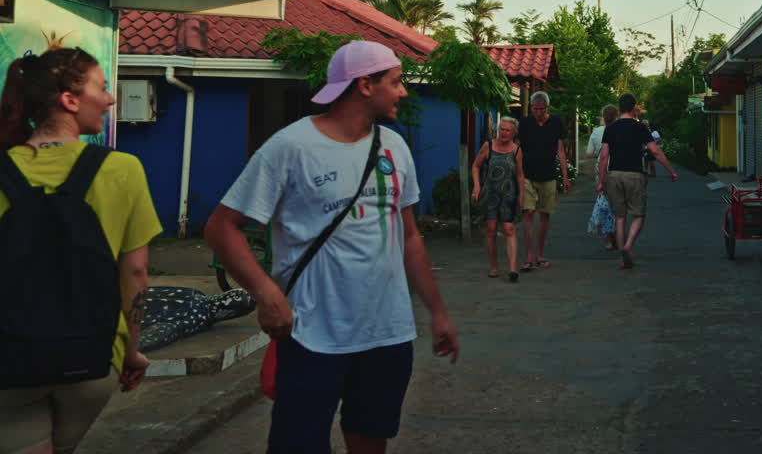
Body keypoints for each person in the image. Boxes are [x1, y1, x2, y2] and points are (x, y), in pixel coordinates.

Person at [205, 40, 459, 454]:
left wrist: (438, 312)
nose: (403, 92)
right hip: (312, 333)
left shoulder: (394, 147)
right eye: (395, 82)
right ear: (365, 85)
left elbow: (409, 235)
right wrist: (267, 294)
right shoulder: (291, 146)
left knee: (370, 438)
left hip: (386, 332)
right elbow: (221, 228)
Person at [0, 47, 161, 454]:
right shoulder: (123, 169)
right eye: (102, 88)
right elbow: (135, 272)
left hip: (9, 362)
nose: (111, 99)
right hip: (92, 357)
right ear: (69, 100)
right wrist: (131, 351)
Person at [596, 93, 678, 270]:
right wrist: (671, 171)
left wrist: (601, 181)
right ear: (634, 108)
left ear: (619, 108)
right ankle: (628, 245)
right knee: (638, 215)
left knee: (619, 217)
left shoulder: (610, 128)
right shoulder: (640, 127)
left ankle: (622, 257)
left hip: (614, 175)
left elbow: (604, 156)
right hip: (634, 175)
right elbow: (655, 151)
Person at [517, 91, 571, 271]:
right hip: (527, 175)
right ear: (531, 108)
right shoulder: (524, 123)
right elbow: (518, 148)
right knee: (528, 213)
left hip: (549, 175)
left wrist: (565, 176)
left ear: (547, 107)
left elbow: (561, 151)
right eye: (535, 109)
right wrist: (516, 172)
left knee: (545, 214)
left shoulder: (556, 122)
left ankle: (539, 254)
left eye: (542, 109)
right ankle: (529, 256)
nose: (538, 112)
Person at [471, 116, 524, 282]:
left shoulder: (517, 150)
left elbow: (520, 175)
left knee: (509, 229)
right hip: (490, 193)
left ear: (514, 133)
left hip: (508, 195)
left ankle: (513, 269)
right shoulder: (488, 145)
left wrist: (521, 195)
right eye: (502, 129)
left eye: (508, 130)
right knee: (491, 229)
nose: (504, 133)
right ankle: (494, 266)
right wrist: (477, 186)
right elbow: (475, 166)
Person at [584, 105, 620, 250]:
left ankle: (609, 240)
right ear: (616, 116)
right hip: (618, 168)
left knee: (604, 204)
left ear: (603, 117)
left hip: (601, 169)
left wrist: (599, 152)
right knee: (618, 205)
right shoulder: (620, 130)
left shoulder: (596, 131)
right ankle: (620, 236)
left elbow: (588, 153)